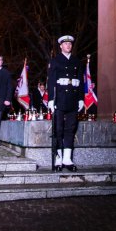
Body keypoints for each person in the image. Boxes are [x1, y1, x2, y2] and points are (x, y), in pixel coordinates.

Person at [47, 34, 83, 171]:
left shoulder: (77, 61)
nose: (68, 46)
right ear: (61, 46)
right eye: (65, 44)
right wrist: (51, 99)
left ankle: (68, 159)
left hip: (73, 99)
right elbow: (51, 82)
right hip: (59, 99)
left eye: (70, 44)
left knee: (71, 128)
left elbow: (81, 81)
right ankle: (58, 159)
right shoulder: (55, 61)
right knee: (58, 129)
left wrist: (81, 99)